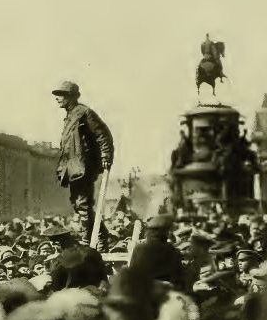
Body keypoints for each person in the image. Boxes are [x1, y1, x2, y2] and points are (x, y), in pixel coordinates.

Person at [52, 81, 115, 247]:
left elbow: (103, 135)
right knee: (77, 203)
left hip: (82, 166)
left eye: (61, 95)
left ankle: (89, 239)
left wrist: (106, 155)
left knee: (82, 203)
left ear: (71, 97)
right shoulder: (70, 115)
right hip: (72, 167)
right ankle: (101, 235)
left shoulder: (84, 113)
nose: (57, 98)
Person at [129, 215, 186, 292]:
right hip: (166, 295)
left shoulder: (139, 249)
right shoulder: (172, 251)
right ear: (165, 233)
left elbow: (132, 276)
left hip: (143, 294)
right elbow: (178, 280)